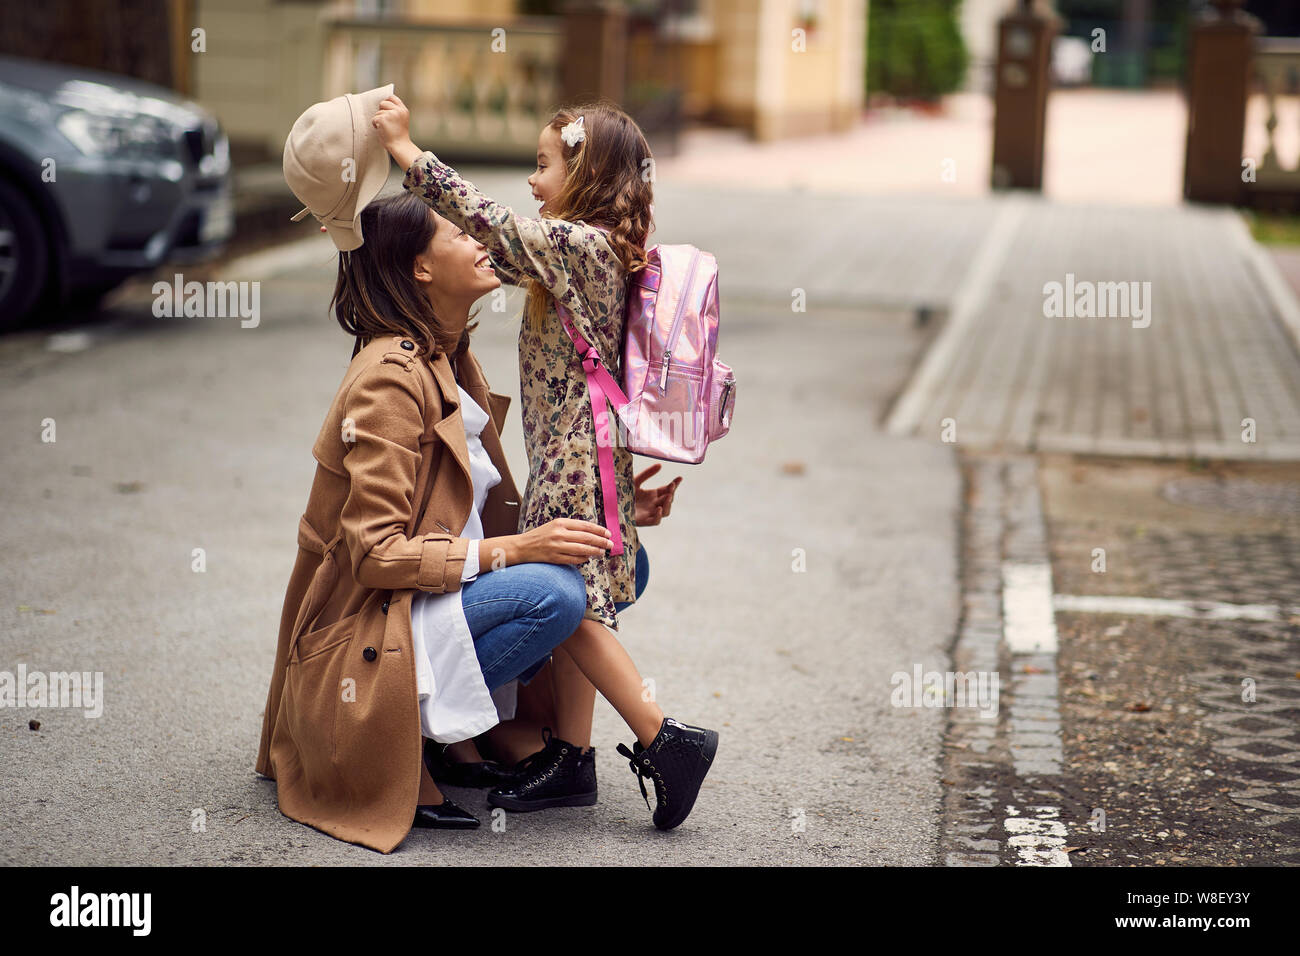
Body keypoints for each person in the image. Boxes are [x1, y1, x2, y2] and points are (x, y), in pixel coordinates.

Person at [372, 94, 718, 828]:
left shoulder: (580, 248)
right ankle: (574, 759)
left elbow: (489, 225)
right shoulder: (589, 252)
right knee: (579, 595)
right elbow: (500, 245)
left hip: (574, 454)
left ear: (585, 174)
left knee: (574, 602)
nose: (534, 180)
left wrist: (407, 152)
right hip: (586, 451)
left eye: (544, 164)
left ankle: (664, 738)